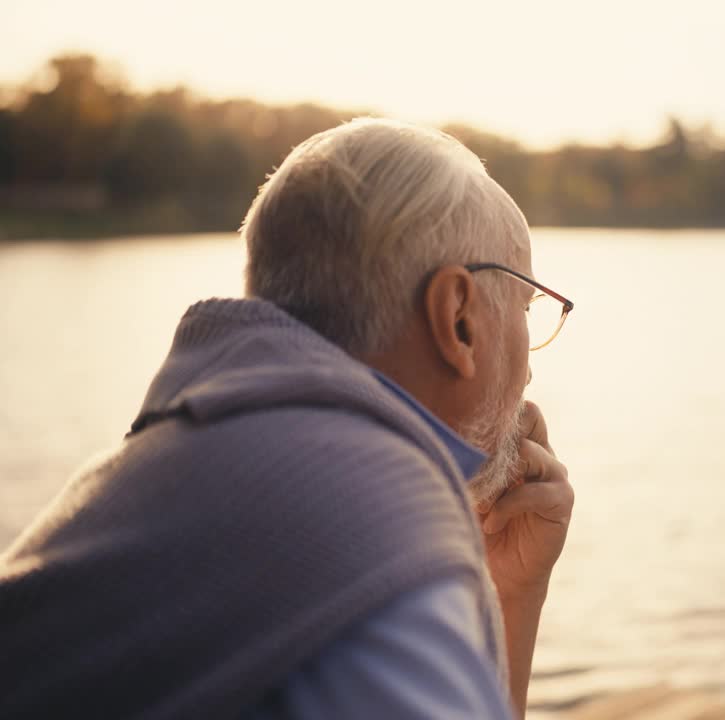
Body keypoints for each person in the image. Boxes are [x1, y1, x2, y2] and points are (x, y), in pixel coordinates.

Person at [0, 118, 575, 719]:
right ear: (458, 317)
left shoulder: (162, 460)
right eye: (527, 305)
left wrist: (513, 593)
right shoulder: (374, 507)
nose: (530, 371)